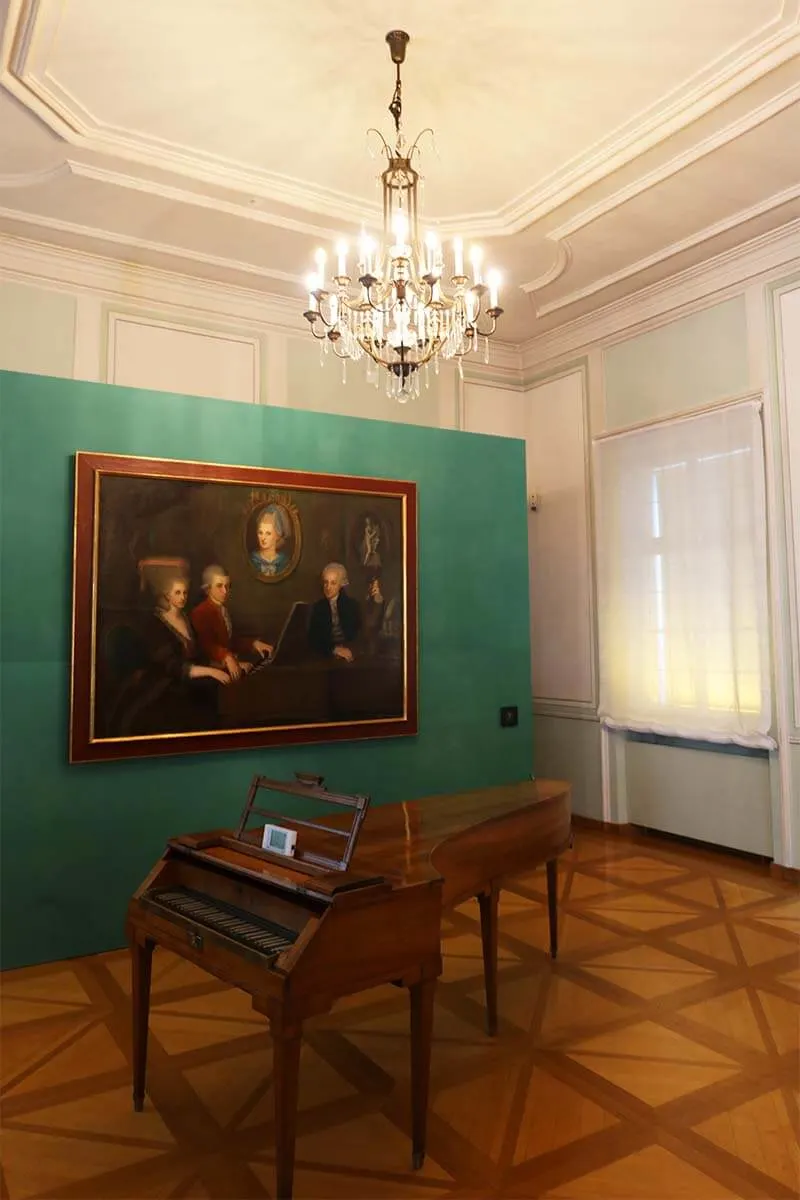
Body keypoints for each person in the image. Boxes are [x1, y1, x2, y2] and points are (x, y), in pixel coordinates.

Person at [109, 559, 230, 736]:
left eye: (185, 593)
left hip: (188, 682)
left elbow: (197, 655)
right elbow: (172, 666)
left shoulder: (187, 619)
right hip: (163, 685)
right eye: (177, 593)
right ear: (167, 595)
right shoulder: (156, 624)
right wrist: (211, 672)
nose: (182, 597)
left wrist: (218, 664)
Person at [191, 565, 272, 681]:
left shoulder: (222, 609)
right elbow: (207, 646)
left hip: (227, 664)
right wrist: (228, 658)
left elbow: (230, 641)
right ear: (208, 589)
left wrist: (254, 644)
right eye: (219, 586)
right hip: (211, 673)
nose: (225, 591)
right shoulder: (200, 612)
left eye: (227, 586)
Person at [308, 562, 361, 661]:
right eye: (325, 582)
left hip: (350, 655)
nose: (328, 587)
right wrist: (333, 649)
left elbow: (359, 635)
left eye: (333, 583)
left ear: (341, 585)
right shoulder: (318, 608)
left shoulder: (352, 605)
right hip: (327, 656)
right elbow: (314, 639)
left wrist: (350, 650)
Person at [250, 505, 291, 576]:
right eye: (260, 533)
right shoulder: (252, 560)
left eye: (268, 533)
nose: (263, 538)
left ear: (277, 536)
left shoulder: (284, 562)